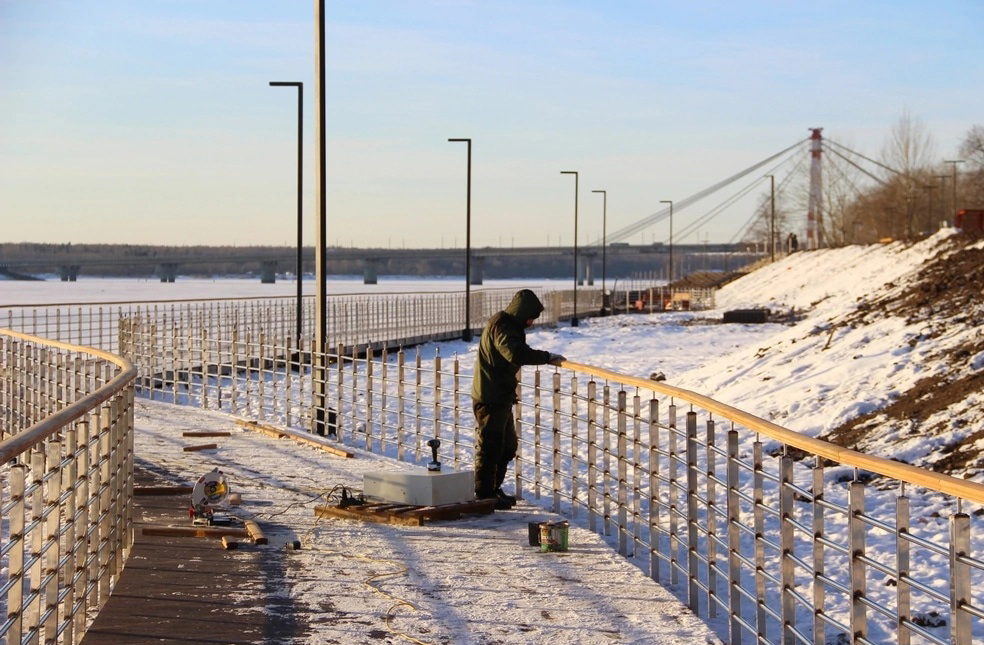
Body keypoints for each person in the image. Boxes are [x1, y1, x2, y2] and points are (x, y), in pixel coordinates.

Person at [471, 289, 565, 510]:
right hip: (490, 397)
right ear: (522, 313)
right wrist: (546, 357)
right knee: (491, 446)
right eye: (531, 318)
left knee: (506, 446)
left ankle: (493, 488)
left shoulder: (506, 323)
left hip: (499, 395)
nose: (532, 323)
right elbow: (515, 354)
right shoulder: (504, 326)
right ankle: (485, 494)